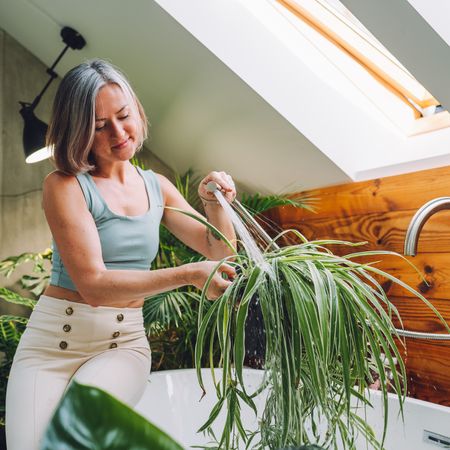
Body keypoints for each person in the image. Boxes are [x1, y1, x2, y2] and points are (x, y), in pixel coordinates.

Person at [5, 59, 237, 450]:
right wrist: (189, 273)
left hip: (122, 344)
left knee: (74, 434)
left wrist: (216, 204)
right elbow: (93, 285)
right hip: (49, 346)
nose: (119, 132)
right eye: (99, 125)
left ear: (136, 110)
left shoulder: (157, 187)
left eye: (124, 115)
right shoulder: (64, 186)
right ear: (79, 131)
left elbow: (220, 252)